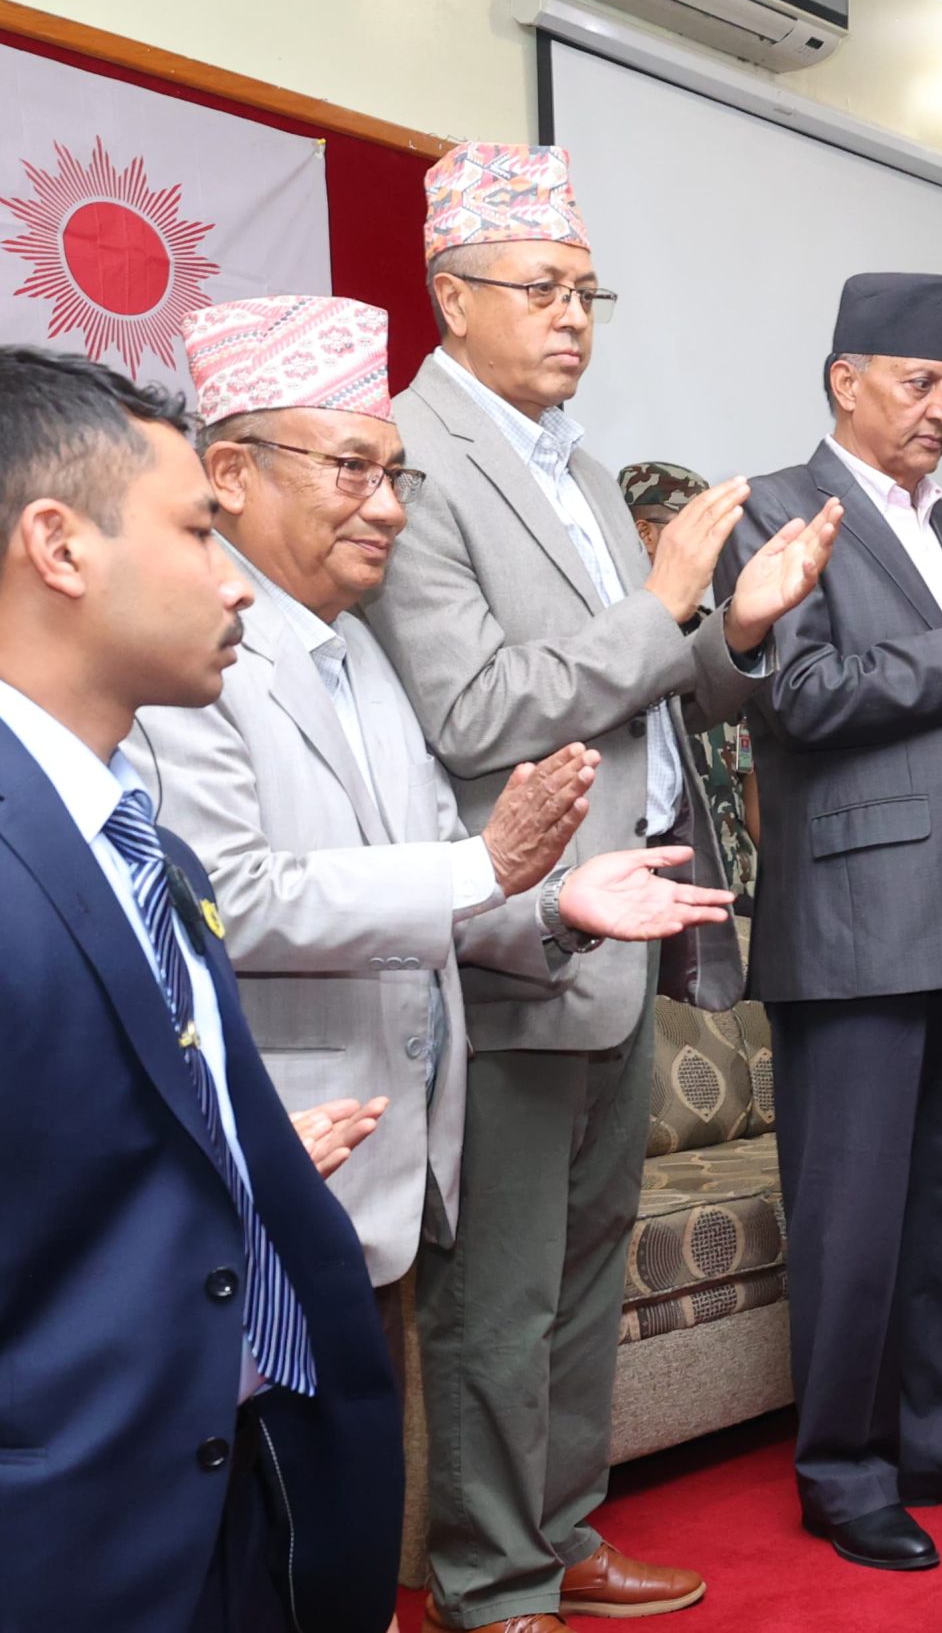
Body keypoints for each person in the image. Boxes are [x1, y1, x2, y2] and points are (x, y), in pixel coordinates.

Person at [362, 142, 840, 1632]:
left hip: (624, 934)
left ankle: (562, 1533)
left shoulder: (567, 456)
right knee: (497, 1294)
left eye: (588, 291)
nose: (573, 316)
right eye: (543, 288)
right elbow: (475, 710)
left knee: (580, 1274)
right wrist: (666, 603)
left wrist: (732, 632)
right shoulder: (412, 460)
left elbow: (635, 676)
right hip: (514, 932)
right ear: (451, 294)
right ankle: (490, 1579)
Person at [132, 296, 736, 1327]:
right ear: (230, 474)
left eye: (394, 475)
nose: (389, 510)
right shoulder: (183, 655)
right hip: (276, 1151)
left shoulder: (361, 650)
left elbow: (441, 873)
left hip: (391, 1156)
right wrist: (487, 866)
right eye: (349, 470)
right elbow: (228, 898)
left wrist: (554, 908)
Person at [0, 346, 399, 1632]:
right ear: (59, 547)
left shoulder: (139, 838)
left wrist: (225, 1161)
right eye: (196, 532)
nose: (232, 583)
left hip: (227, 1492)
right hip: (63, 1544)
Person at [716, 271, 942, 1573]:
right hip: (858, 925)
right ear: (846, 380)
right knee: (856, 1219)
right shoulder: (772, 511)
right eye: (920, 382)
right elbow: (801, 695)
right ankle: (844, 1467)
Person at [622, 459, 762, 909]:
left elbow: (752, 780)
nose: (712, 550)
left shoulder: (723, 638)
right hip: (638, 900)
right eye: (696, 531)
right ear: (644, 534)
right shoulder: (609, 644)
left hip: (734, 897)